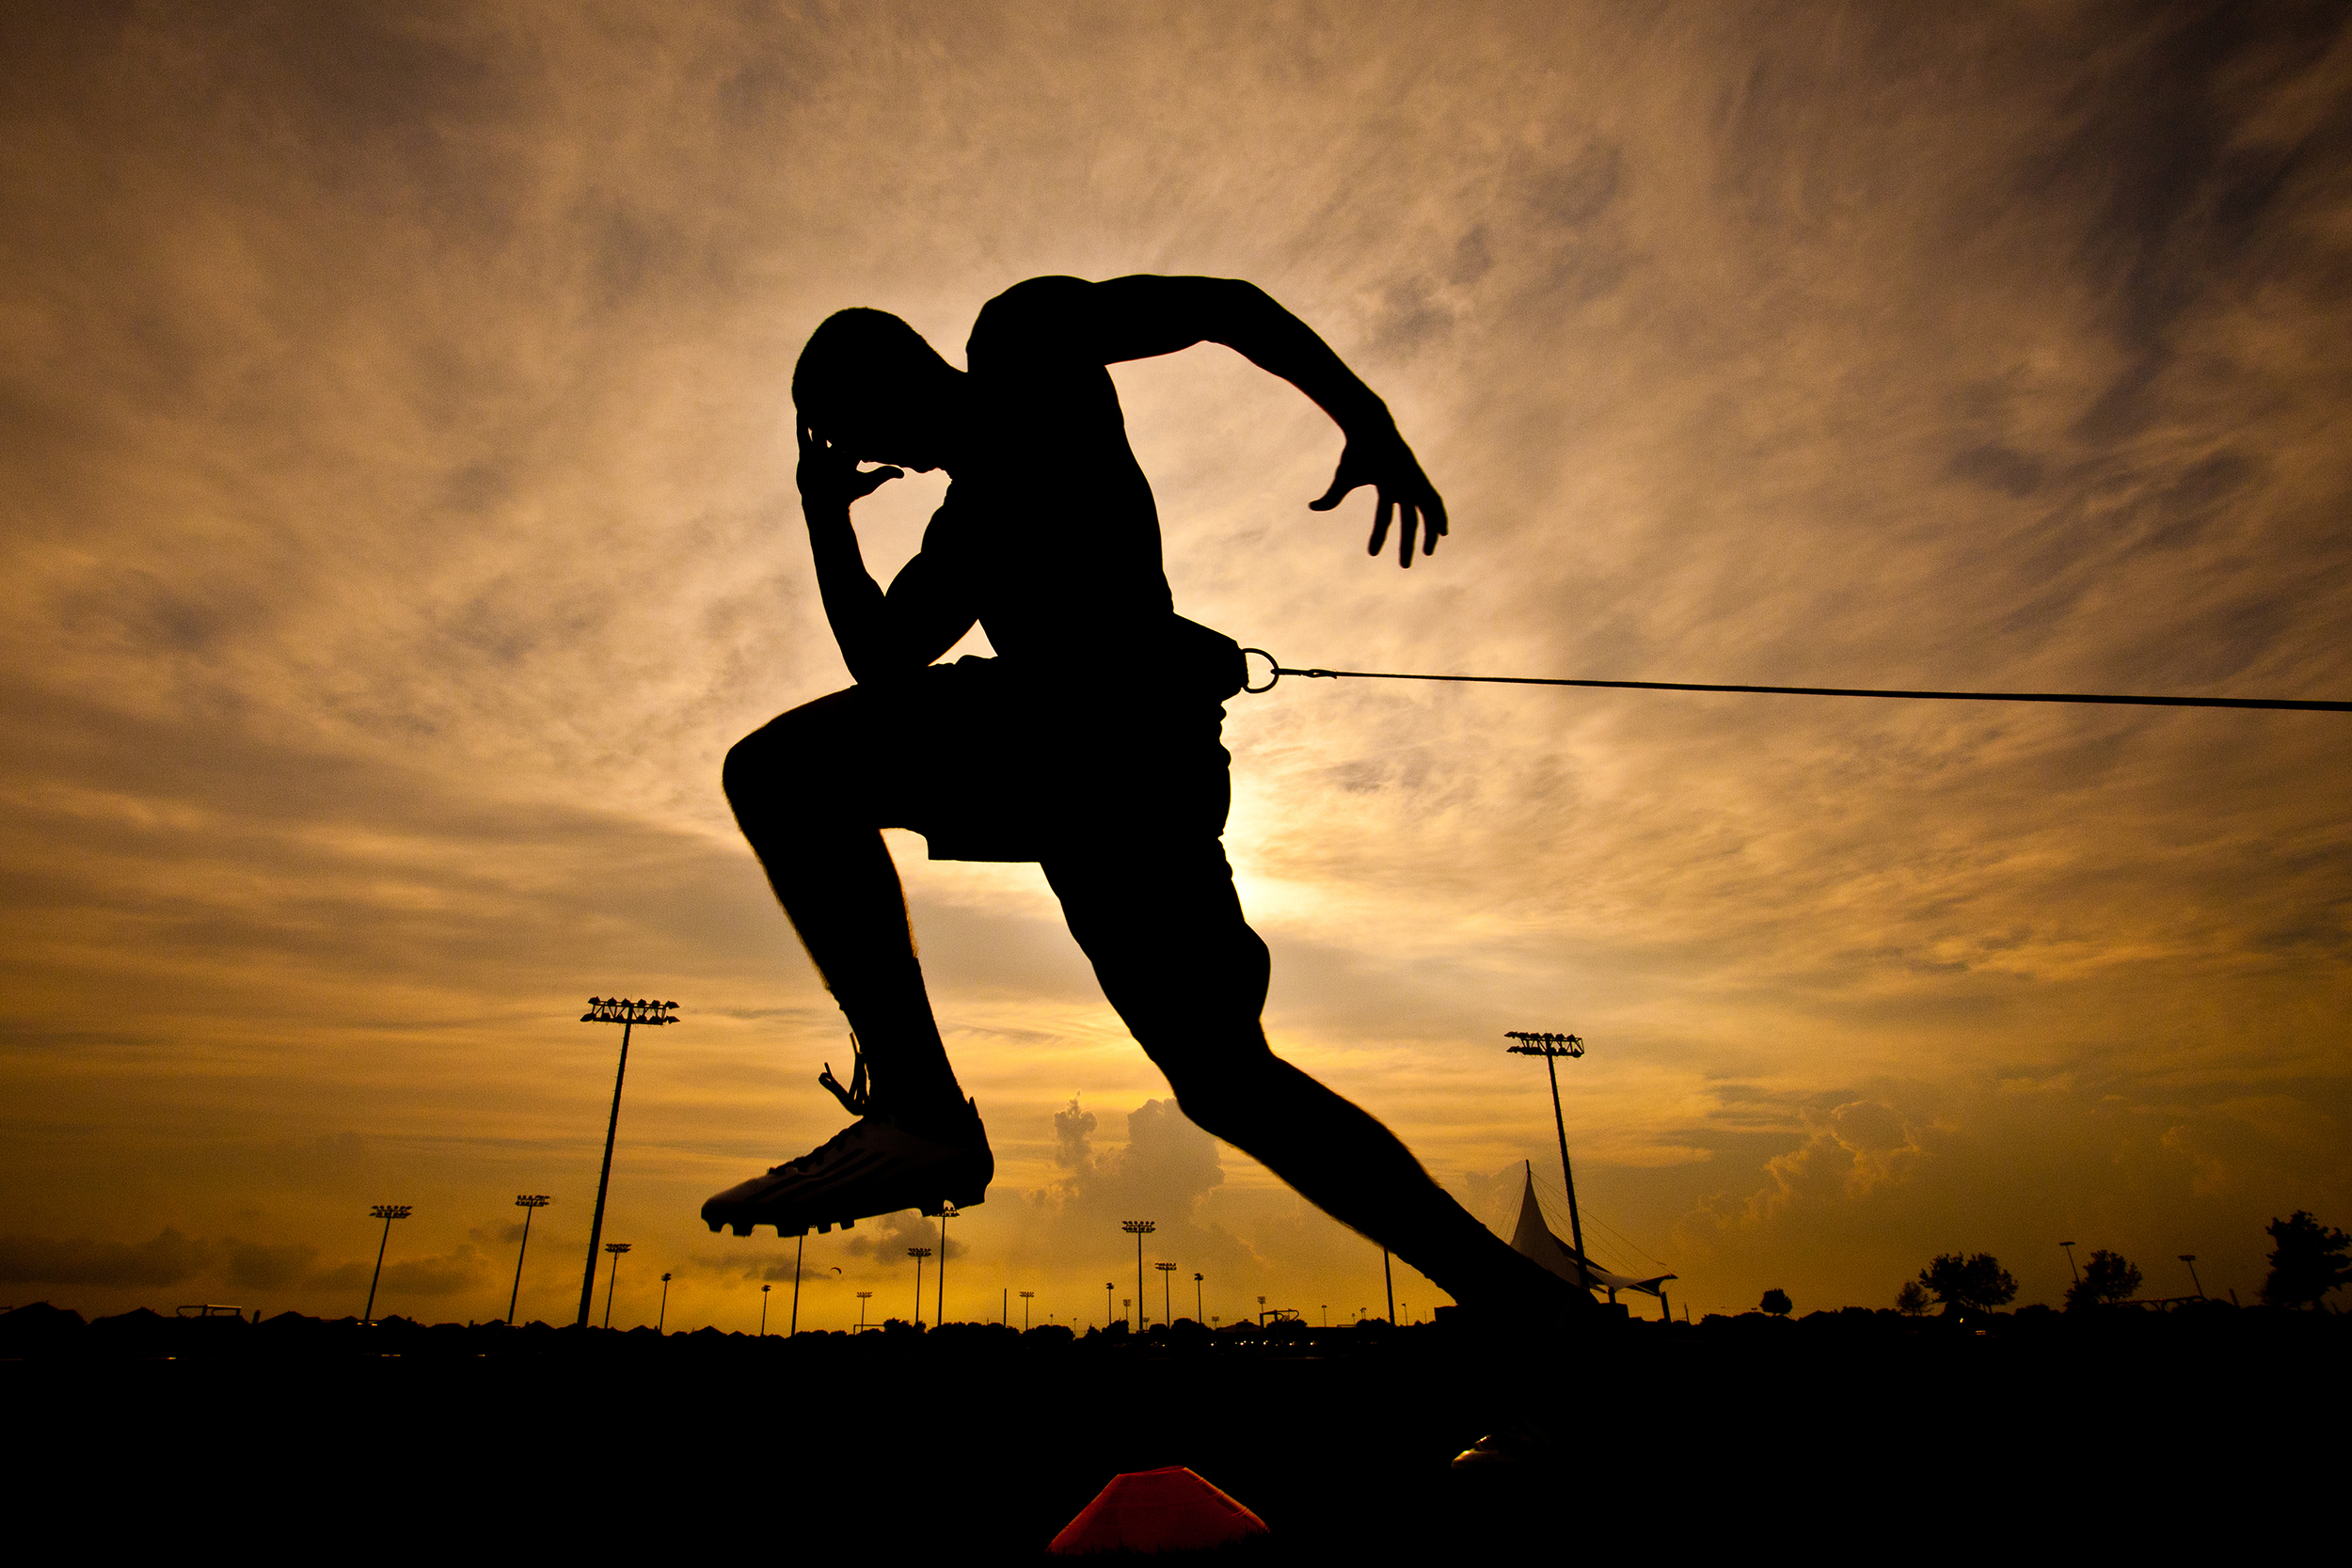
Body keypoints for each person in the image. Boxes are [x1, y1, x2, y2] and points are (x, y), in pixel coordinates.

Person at [707, 274, 1587, 1323]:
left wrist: (1368, 419)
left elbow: (1226, 306)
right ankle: (1535, 1312)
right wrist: (822, 518)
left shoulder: (1023, 345)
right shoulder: (967, 525)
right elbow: (881, 669)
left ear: (874, 402)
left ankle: (923, 1105)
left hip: (1098, 743)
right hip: (1113, 779)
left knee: (774, 773)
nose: (867, 463)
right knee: (1228, 1080)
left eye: (850, 442)